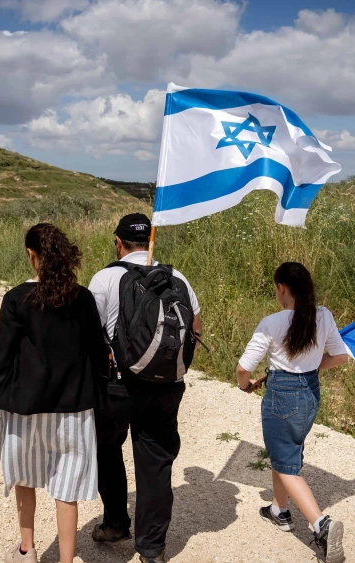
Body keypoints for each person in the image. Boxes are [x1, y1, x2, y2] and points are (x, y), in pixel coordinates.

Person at [0, 223, 109, 563]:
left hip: (24, 409)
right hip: (74, 411)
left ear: (31, 255)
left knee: (24, 477)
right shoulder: (83, 298)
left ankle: (27, 549)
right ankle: (66, 561)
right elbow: (98, 356)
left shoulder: (16, 299)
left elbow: (1, 363)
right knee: (67, 491)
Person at [88, 213, 201, 563]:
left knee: (107, 449)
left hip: (117, 386)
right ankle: (152, 549)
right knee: (155, 461)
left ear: (118, 243)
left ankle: (117, 523)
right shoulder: (176, 277)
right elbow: (195, 328)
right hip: (167, 386)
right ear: (150, 242)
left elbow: (90, 335)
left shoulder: (105, 278)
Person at [235, 262, 349, 563]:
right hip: (309, 393)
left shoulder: (271, 322)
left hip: (282, 396)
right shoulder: (323, 316)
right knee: (284, 449)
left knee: (286, 463)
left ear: (281, 288)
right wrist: (307, 368)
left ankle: (321, 525)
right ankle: (279, 510)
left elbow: (243, 368)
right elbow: (339, 357)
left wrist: (244, 387)